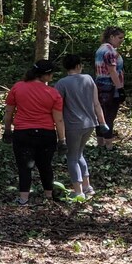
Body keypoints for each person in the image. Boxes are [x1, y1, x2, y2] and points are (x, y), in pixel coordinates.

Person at [2, 59, 66, 206]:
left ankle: (23, 198)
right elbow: (59, 119)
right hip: (46, 134)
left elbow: (9, 112)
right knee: (45, 165)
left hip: (23, 133)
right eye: (50, 74)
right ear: (44, 75)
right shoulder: (53, 93)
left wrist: (7, 130)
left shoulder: (18, 87)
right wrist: (62, 140)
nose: (52, 76)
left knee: (24, 167)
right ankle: (48, 197)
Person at [54, 54, 108, 200]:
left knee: (72, 157)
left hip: (72, 125)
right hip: (90, 123)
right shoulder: (89, 79)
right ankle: (87, 186)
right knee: (79, 155)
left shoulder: (62, 83)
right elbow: (96, 103)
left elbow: (56, 106)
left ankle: (78, 192)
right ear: (78, 65)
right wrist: (102, 123)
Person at [94, 26, 126, 147]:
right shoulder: (109, 51)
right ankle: (109, 145)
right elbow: (112, 71)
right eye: (120, 37)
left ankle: (100, 143)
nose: (121, 40)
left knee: (101, 115)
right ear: (111, 37)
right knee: (109, 116)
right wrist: (120, 89)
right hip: (110, 88)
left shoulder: (101, 49)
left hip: (100, 86)